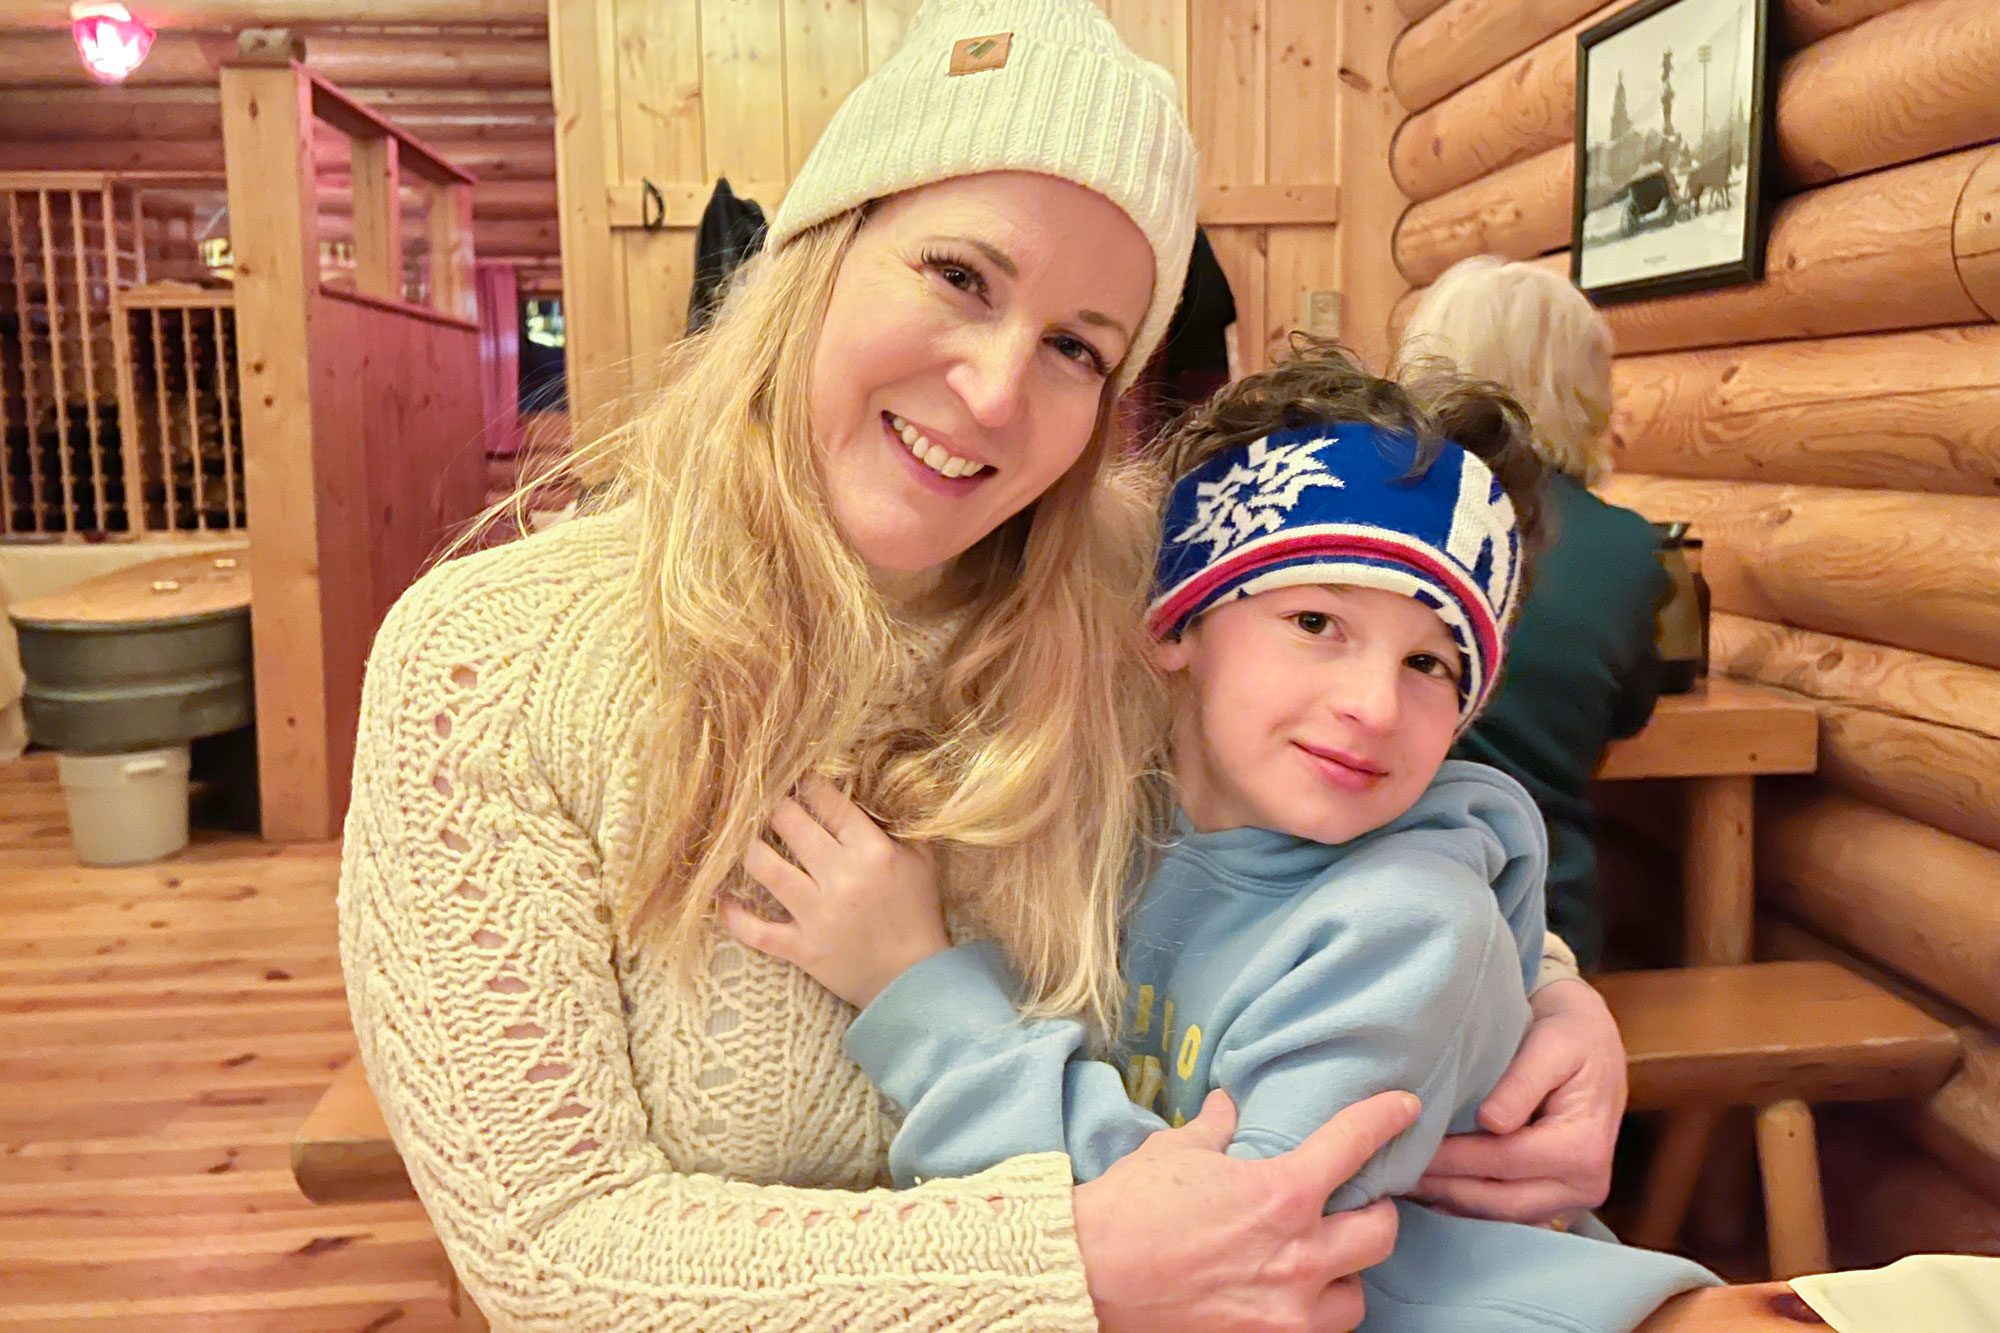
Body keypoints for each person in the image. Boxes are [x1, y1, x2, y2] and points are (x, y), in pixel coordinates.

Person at [340, 3, 1626, 1326]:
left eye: (1077, 345)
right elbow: (551, 1251)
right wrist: (1066, 1266)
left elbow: (1355, 775)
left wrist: (1540, 992)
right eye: (961, 277)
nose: (999, 391)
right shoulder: (487, 665)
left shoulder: (1144, 588)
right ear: (820, 251)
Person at [727, 352, 1717, 1329]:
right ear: (1177, 625)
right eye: (1317, 620)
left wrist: (918, 992)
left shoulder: (1409, 926)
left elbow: (1227, 1261)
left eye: (1428, 660)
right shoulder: (1117, 813)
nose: (1373, 704)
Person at [1401, 256, 1671, 972]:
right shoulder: (1627, 547)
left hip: (1368, 897)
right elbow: (1631, 713)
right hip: (1545, 925)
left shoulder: (1382, 504)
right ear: (1583, 387)